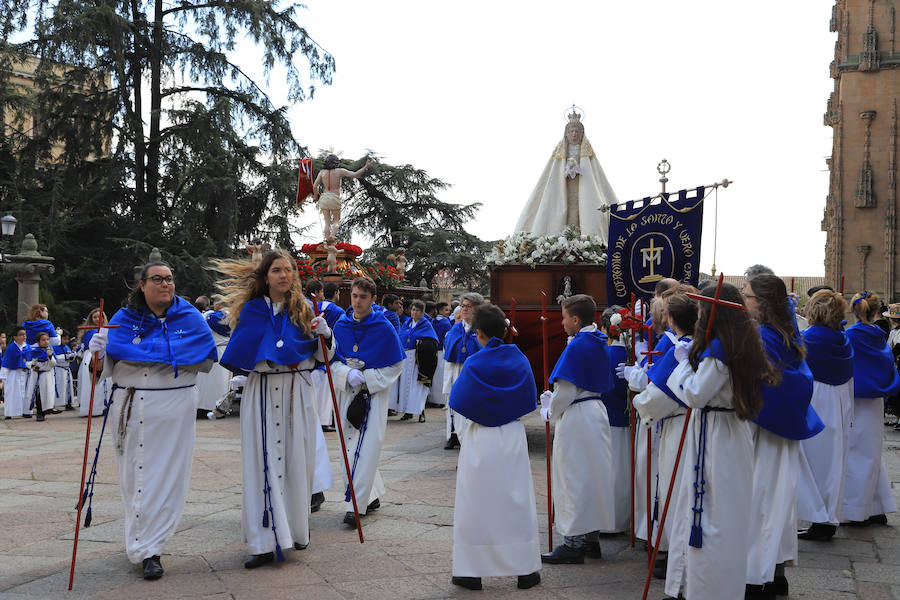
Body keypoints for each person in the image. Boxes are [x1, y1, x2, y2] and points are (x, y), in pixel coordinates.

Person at [88, 261, 217, 580]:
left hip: (174, 407)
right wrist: (98, 354)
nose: (166, 284)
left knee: (168, 476)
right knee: (135, 475)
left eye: (170, 279)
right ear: (142, 285)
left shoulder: (189, 317)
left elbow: (205, 361)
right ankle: (142, 544)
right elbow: (102, 369)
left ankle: (153, 548)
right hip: (131, 406)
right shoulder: (123, 319)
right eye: (157, 279)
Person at [217, 250, 334, 569]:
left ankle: (295, 531)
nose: (284, 275)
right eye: (277, 270)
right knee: (261, 463)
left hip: (298, 388)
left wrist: (327, 336)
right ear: (265, 276)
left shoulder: (304, 309)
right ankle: (263, 542)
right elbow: (243, 353)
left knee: (298, 461)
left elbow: (322, 358)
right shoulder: (252, 311)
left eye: (289, 270)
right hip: (264, 391)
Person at [663, 283, 774, 600]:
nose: (698, 316)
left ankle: (709, 590)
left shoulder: (719, 350)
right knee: (722, 513)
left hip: (716, 435)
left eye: (701, 311)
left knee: (714, 517)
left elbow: (696, 395)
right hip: (725, 430)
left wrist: (683, 363)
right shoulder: (740, 343)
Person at [448, 303, 541, 591]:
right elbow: (529, 398)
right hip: (511, 434)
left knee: (475, 502)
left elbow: (458, 401)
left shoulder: (475, 363)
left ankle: (471, 570)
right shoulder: (520, 359)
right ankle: (526, 569)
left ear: (478, 334)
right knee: (517, 500)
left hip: (481, 437)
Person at [742, 274, 822, 599]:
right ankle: (774, 573)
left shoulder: (762, 335)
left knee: (760, 503)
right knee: (777, 504)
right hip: (779, 428)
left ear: (761, 302)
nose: (743, 300)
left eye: (746, 295)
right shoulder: (784, 331)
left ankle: (755, 578)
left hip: (765, 430)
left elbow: (759, 382)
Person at [539, 294, 613, 564]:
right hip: (596, 411)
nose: (561, 323)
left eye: (563, 318)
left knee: (572, 476)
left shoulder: (578, 345)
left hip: (578, 414)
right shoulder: (599, 340)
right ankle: (590, 539)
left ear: (575, 319)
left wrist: (549, 410)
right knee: (592, 476)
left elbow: (566, 389)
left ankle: (572, 543)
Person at [632, 288, 698, 577]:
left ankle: (671, 553)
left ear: (670, 319)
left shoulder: (679, 348)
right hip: (692, 423)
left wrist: (638, 401)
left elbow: (657, 397)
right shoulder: (697, 344)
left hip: (679, 424)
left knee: (673, 487)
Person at [329, 277, 404, 526]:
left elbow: (396, 365)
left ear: (373, 299)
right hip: (346, 390)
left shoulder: (384, 328)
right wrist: (345, 374)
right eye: (354, 296)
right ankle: (370, 495)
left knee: (367, 447)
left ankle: (356, 505)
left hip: (372, 394)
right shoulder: (340, 325)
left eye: (363, 296)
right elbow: (330, 360)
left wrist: (369, 378)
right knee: (346, 448)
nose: (358, 301)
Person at [797, 290, 854, 541]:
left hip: (815, 400)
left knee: (811, 461)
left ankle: (819, 517)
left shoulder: (807, 339)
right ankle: (828, 516)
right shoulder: (843, 340)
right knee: (833, 462)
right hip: (839, 399)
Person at [842, 291, 900, 526]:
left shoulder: (850, 335)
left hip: (855, 398)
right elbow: (887, 363)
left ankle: (856, 510)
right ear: (876, 311)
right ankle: (876, 506)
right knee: (871, 453)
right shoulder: (878, 335)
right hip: (874, 399)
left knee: (856, 453)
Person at [598, 305, 631, 534]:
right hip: (625, 420)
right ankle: (621, 520)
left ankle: (609, 522)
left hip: (608, 419)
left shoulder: (605, 354)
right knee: (622, 472)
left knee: (609, 472)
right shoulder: (630, 355)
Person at [441, 292, 484, 449]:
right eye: (463, 306)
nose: (464, 310)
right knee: (453, 407)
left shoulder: (481, 329)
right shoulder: (455, 330)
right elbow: (449, 355)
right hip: (455, 373)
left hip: (472, 376)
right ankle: (453, 434)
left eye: (469, 307)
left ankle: (470, 440)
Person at [394, 299, 438, 422]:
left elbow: (432, 341)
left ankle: (421, 411)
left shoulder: (426, 325)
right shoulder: (407, 323)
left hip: (419, 359)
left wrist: (422, 344)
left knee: (417, 386)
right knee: (405, 386)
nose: (414, 313)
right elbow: (401, 337)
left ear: (422, 312)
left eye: (418, 310)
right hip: (406, 357)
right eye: (413, 310)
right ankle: (407, 412)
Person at [312, 154, 373, 241]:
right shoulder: (339, 171)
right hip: (334, 198)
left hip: (324, 197)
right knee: (336, 221)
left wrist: (316, 196)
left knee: (327, 222)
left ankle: (327, 239)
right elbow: (355, 174)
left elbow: (314, 186)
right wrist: (365, 167)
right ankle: (332, 237)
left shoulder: (322, 172)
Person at [196, 301, 232, 417]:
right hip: (221, 350)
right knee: (215, 382)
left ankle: (213, 408)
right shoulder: (231, 314)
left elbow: (210, 320)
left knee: (216, 382)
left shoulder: (224, 314)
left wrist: (207, 315)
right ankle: (213, 408)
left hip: (218, 350)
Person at [76, 308, 111, 417]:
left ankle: (104, 405)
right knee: (92, 383)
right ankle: (93, 408)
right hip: (91, 356)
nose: (97, 319)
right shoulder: (89, 331)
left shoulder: (107, 329)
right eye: (94, 317)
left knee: (106, 382)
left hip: (105, 355)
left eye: (99, 316)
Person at [24, 332, 58, 421]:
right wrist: (33, 364)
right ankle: (39, 413)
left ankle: (47, 409)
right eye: (43, 340)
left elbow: (53, 364)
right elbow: (28, 363)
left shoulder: (50, 351)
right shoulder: (34, 351)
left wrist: (50, 356)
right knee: (38, 394)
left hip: (47, 375)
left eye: (47, 340)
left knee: (47, 393)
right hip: (37, 375)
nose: (46, 342)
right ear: (38, 342)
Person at [426, 301, 452, 408]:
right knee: (440, 375)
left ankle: (433, 399)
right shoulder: (446, 322)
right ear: (439, 310)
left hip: (434, 349)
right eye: (446, 310)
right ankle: (440, 400)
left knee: (435, 375)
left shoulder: (432, 322)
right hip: (441, 350)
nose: (448, 311)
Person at [1, 327, 31, 419]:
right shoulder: (11, 348)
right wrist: (3, 377)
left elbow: (31, 360)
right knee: (11, 393)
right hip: (13, 373)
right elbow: (6, 363)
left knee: (27, 393)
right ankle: (9, 412)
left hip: (25, 373)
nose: (24, 336)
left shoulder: (28, 347)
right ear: (15, 337)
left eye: (25, 334)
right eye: (21, 334)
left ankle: (26, 411)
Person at [53, 330, 77, 411]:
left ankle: (68, 403)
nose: (66, 341)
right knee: (60, 387)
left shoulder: (66, 347)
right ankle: (57, 404)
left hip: (66, 369)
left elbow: (69, 358)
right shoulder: (55, 346)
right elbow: (55, 358)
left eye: (67, 339)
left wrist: (72, 356)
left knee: (68, 387)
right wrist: (65, 357)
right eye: (64, 339)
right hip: (59, 369)